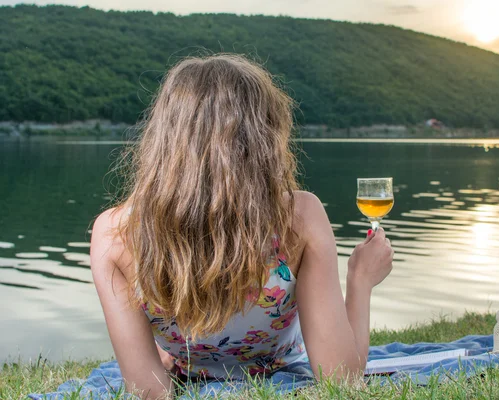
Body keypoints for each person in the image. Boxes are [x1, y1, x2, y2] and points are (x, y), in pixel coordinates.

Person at [90, 54, 394, 399]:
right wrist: (361, 280)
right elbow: (341, 379)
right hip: (282, 369)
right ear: (264, 138)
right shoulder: (300, 216)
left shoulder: (113, 234)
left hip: (186, 373)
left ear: (163, 137)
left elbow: (150, 392)